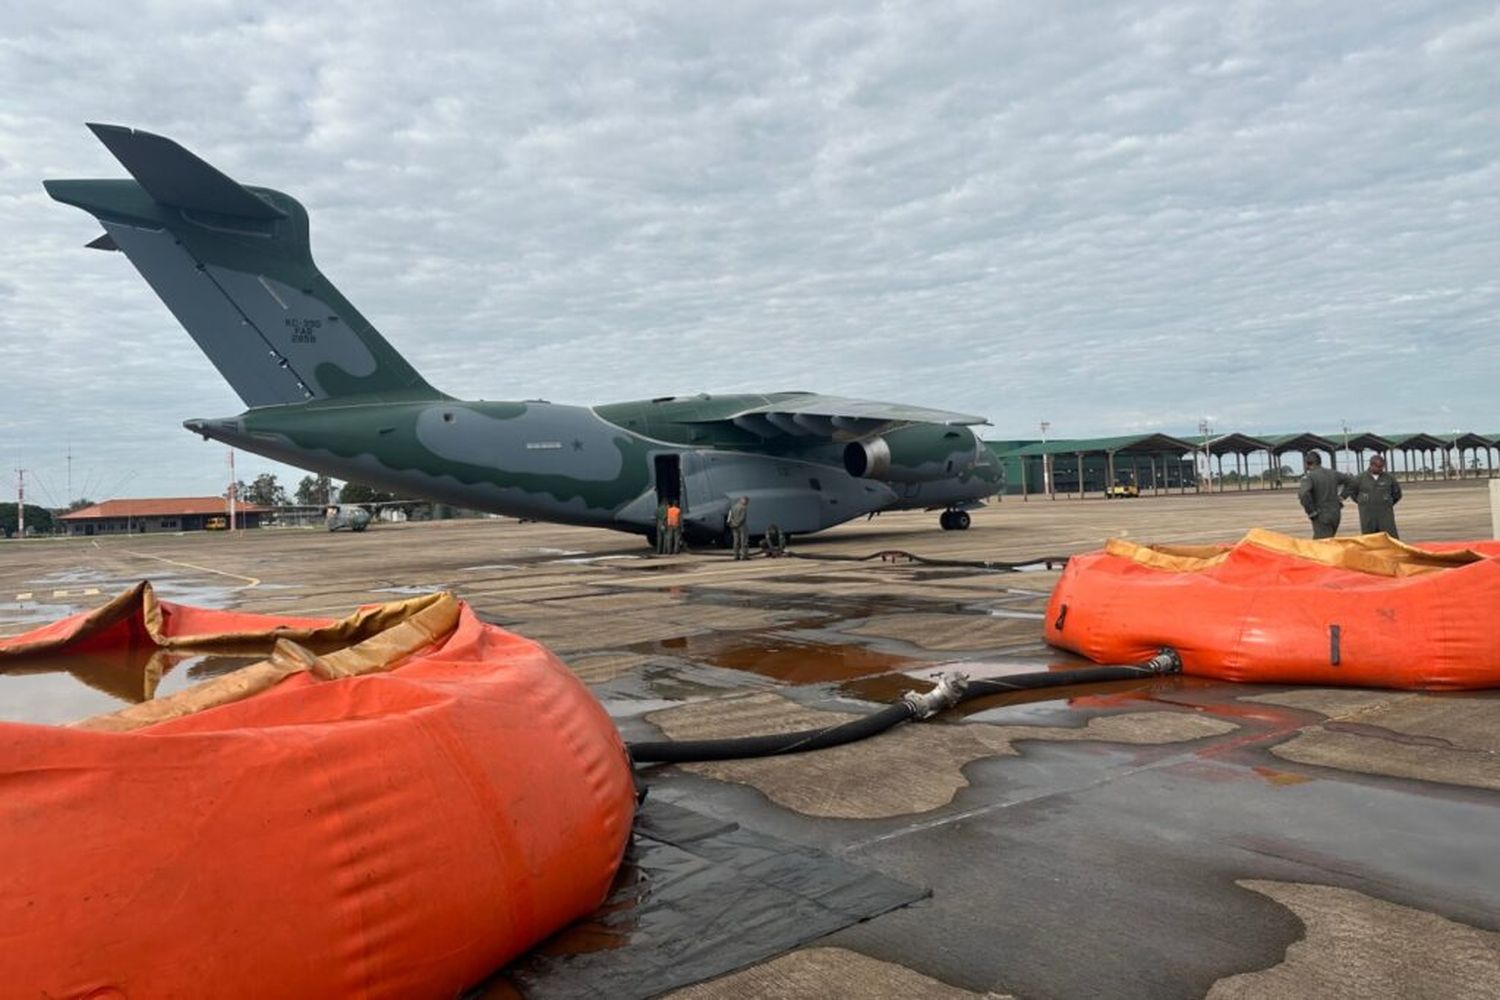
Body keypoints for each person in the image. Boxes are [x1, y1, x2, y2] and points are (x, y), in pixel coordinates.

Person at [1297, 451, 1354, 539]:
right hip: (1335, 514)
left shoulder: (1309, 477)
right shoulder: (1333, 473)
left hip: (1321, 516)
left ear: (1307, 464)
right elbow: (1351, 481)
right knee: (1330, 540)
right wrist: (1343, 496)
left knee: (1322, 545)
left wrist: (1311, 511)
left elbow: (1303, 494)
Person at [1344, 454, 1403, 537]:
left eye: (1382, 467)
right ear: (1371, 465)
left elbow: (1397, 494)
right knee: (1369, 537)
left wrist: (1387, 502)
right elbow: (1353, 492)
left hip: (1385, 514)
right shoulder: (1360, 478)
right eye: (1378, 467)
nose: (1380, 469)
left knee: (1389, 536)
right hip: (1367, 514)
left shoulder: (1389, 478)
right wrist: (1362, 501)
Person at [726, 496, 750, 560]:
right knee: (744, 541)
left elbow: (729, 517)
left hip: (734, 526)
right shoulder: (743, 507)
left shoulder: (733, 507)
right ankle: (744, 556)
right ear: (743, 500)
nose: (747, 503)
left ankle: (736, 556)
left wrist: (733, 524)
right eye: (747, 501)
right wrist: (737, 524)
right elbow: (742, 518)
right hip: (741, 526)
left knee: (736, 541)